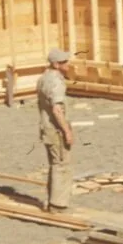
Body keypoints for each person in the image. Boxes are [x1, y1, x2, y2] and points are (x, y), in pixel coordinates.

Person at [36, 48, 75, 212]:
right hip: (55, 129)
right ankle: (58, 205)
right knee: (61, 165)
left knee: (55, 164)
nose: (68, 64)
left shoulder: (44, 78)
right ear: (56, 64)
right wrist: (67, 131)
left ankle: (53, 202)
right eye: (65, 62)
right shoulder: (56, 82)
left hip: (47, 127)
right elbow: (57, 110)